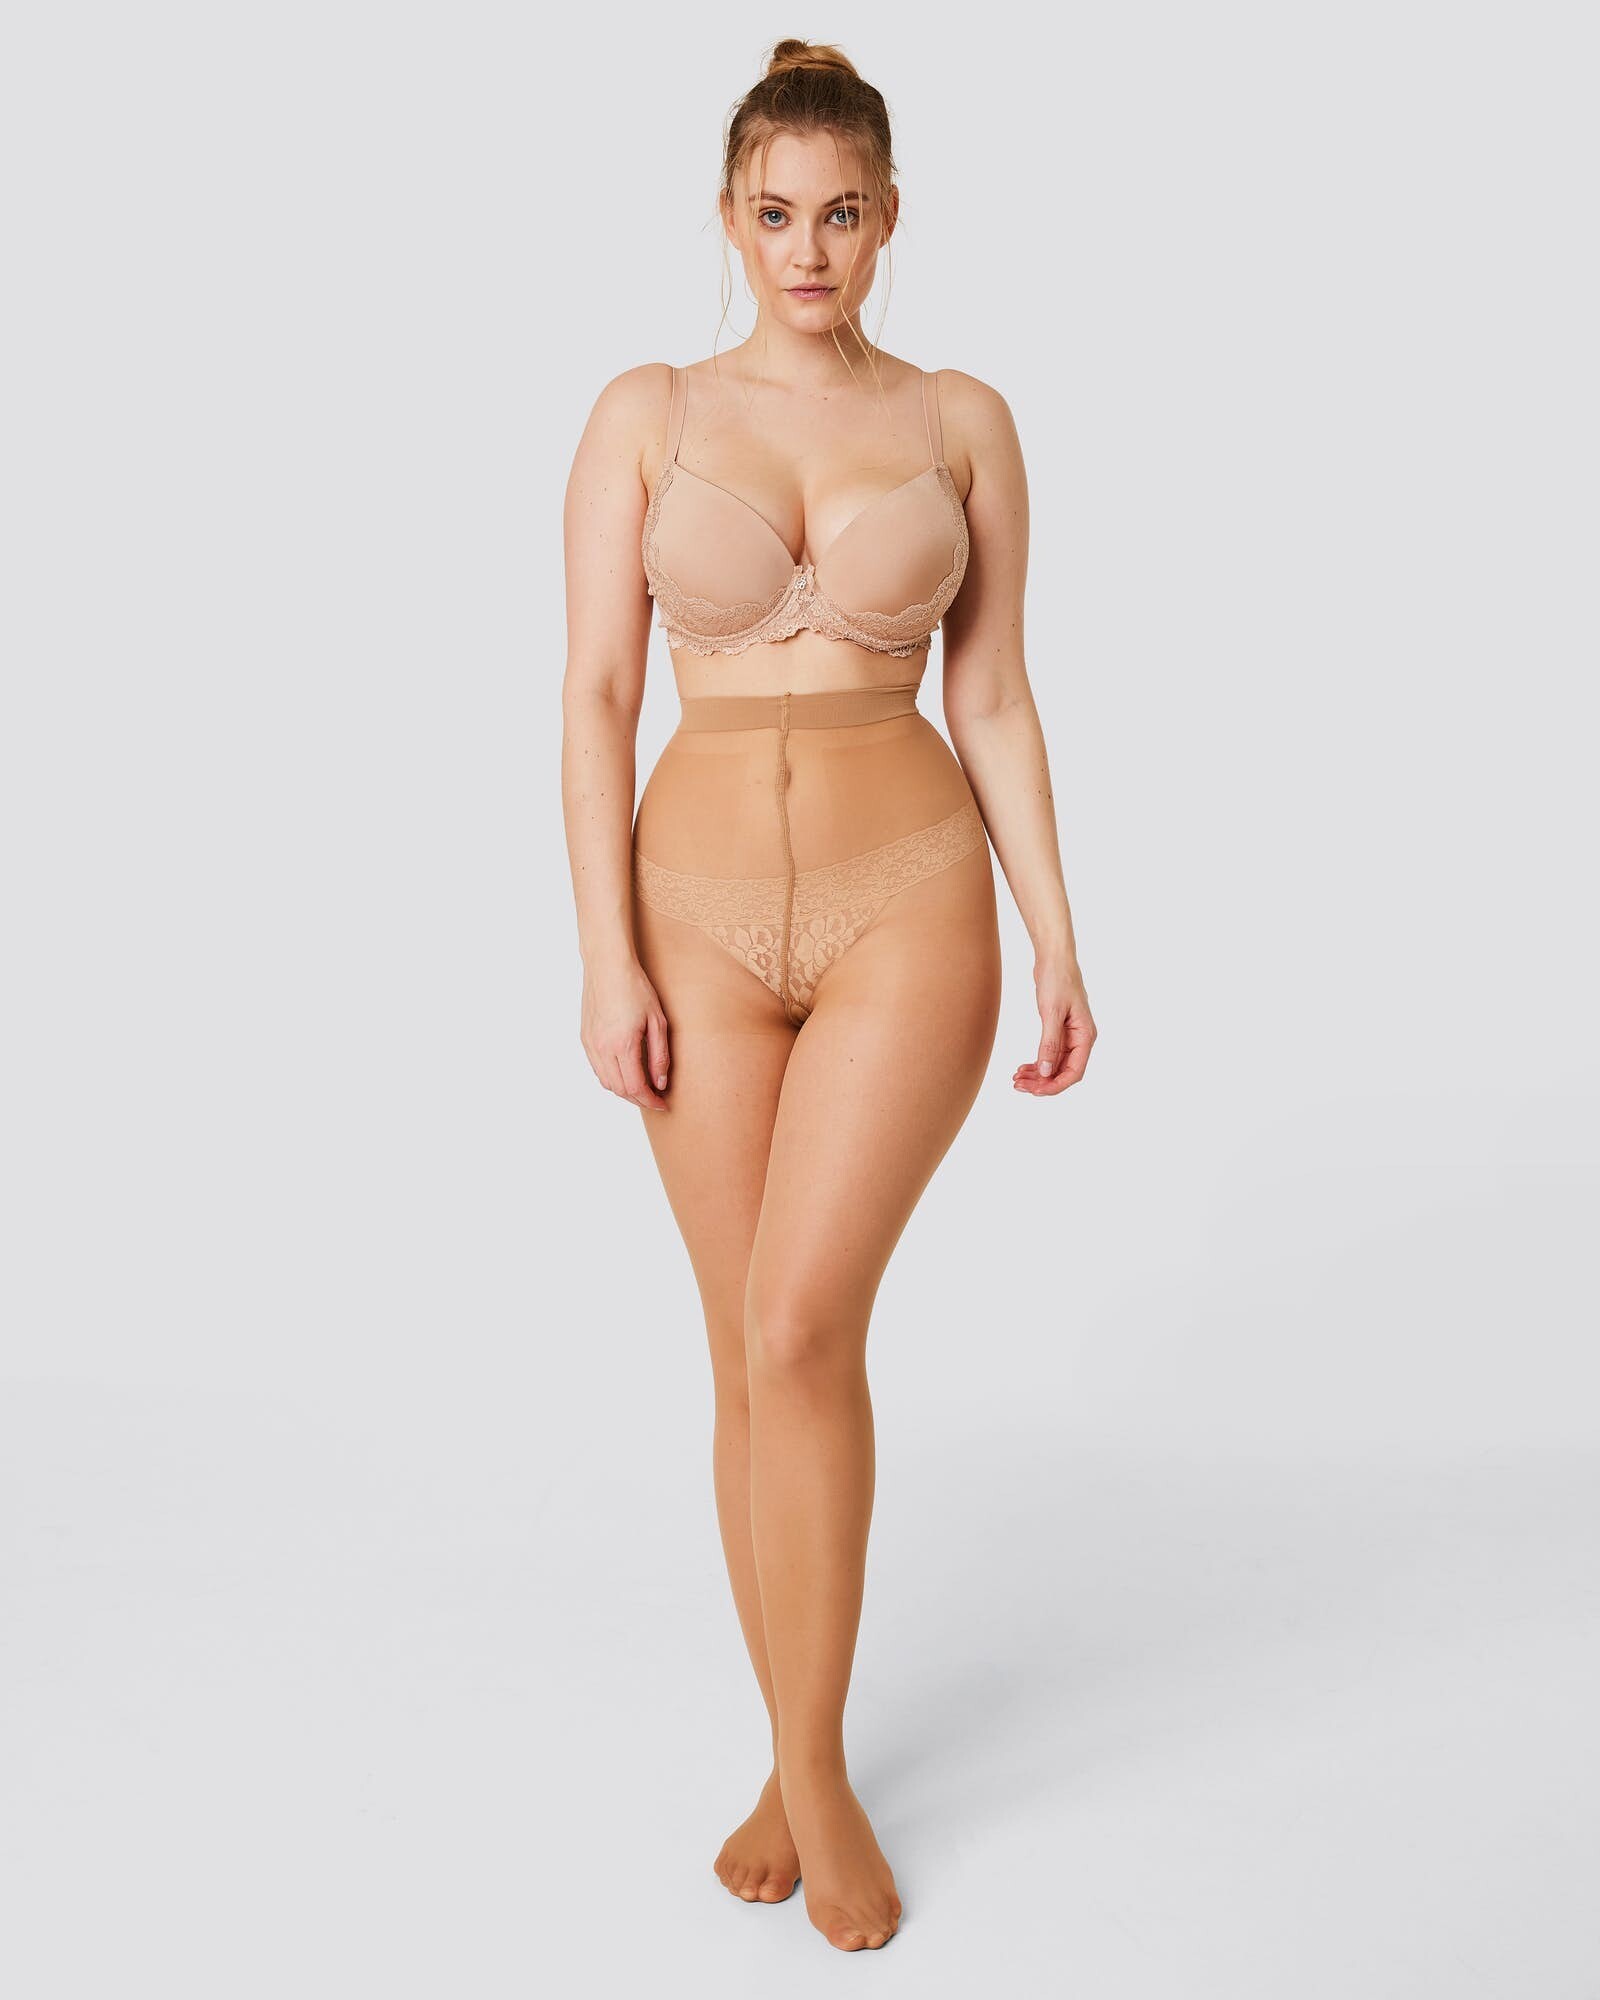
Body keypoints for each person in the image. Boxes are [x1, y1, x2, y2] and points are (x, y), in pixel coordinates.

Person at [560, 36, 1096, 1954]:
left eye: (841, 214)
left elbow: (996, 694)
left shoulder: (961, 420)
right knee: (743, 1351)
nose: (809, 248)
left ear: (888, 221)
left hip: (907, 903)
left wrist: (1059, 932)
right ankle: (793, 1756)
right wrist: (605, 953)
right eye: (776, 214)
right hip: (691, 917)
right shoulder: (646, 414)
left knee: (801, 1326)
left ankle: (819, 1771)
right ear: (729, 219)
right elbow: (596, 696)